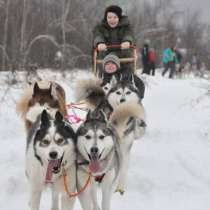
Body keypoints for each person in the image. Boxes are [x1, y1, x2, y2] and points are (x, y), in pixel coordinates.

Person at [93, 5, 135, 71]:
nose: (112, 20)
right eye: (109, 17)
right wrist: (100, 43)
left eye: (115, 17)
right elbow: (98, 35)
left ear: (119, 18)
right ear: (106, 18)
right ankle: (103, 74)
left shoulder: (126, 26)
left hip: (121, 52)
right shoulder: (101, 27)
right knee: (100, 53)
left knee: (127, 52)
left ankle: (127, 75)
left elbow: (129, 34)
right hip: (106, 52)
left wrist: (127, 41)